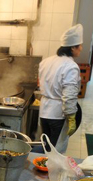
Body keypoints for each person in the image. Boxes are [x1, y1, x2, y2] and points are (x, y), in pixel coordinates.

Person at [37, 24, 83, 154]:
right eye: (80, 46)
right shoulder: (71, 66)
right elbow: (69, 95)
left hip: (44, 110)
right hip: (58, 113)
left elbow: (41, 83)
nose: (81, 49)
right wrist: (71, 116)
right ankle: (50, 173)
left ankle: (42, 170)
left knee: (46, 146)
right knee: (55, 151)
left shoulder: (46, 61)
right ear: (73, 48)